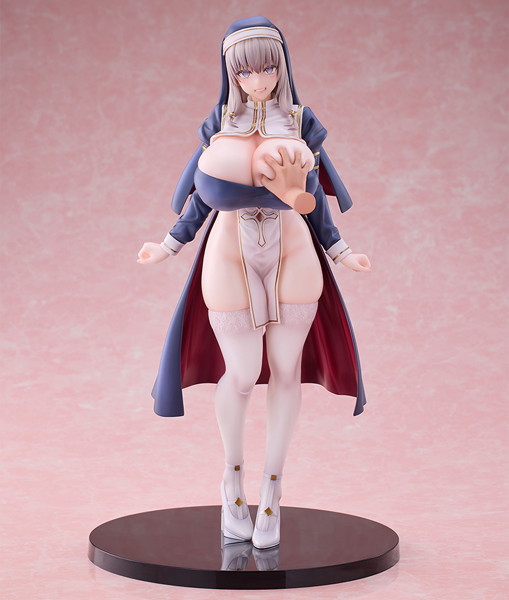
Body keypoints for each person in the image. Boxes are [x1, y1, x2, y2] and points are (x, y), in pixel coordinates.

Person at [137, 16, 371, 550]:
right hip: (230, 250)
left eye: (268, 68)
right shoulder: (219, 122)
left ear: (282, 67)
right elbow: (201, 198)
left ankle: (272, 490)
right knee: (241, 372)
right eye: (245, 72)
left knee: (287, 371)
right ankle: (232, 482)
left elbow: (313, 201)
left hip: (293, 250)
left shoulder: (300, 121)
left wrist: (341, 251)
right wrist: (169, 244)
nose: (258, 80)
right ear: (231, 73)